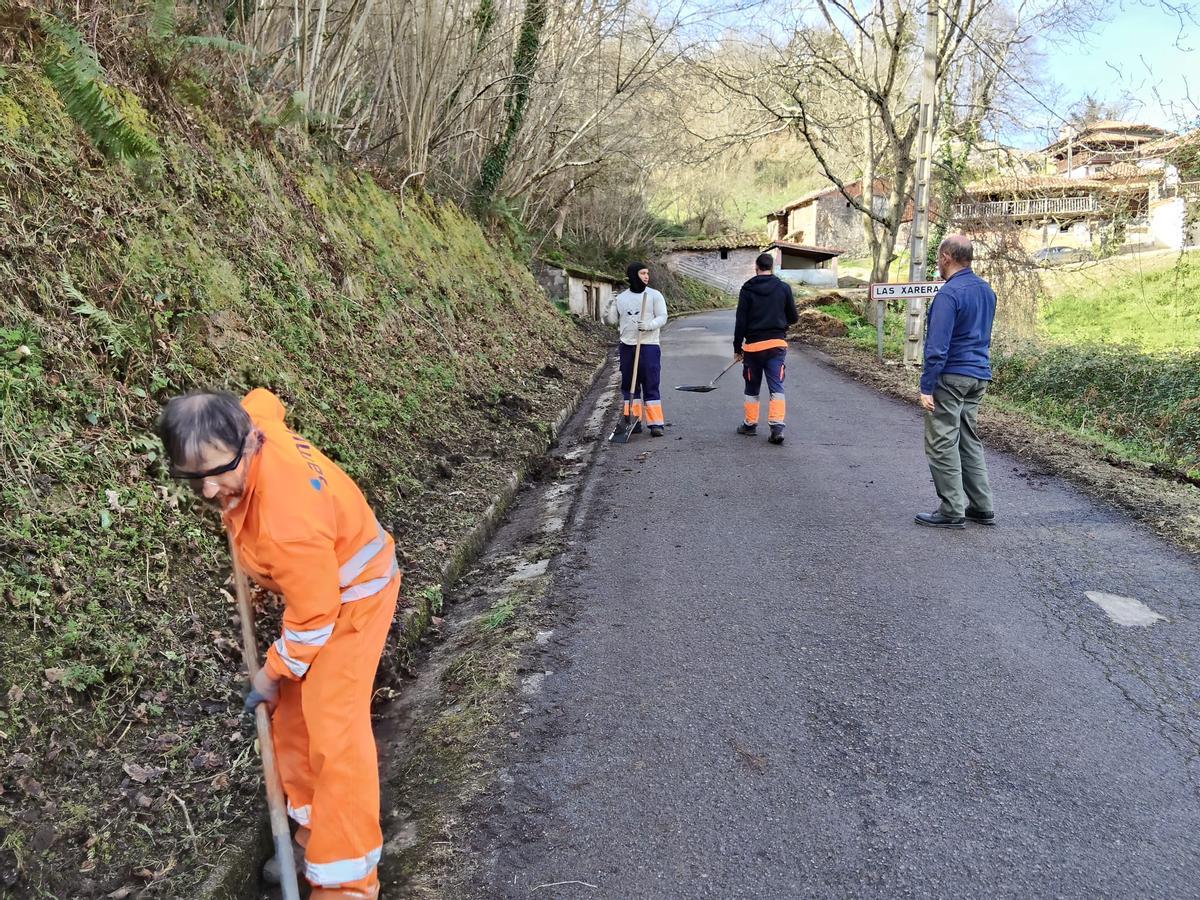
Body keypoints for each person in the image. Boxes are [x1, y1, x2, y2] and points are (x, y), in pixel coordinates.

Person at [157, 389, 399, 900]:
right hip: (319, 592)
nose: (208, 490)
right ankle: (314, 831)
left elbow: (314, 619)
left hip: (356, 597)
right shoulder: (252, 423)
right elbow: (265, 399)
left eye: (218, 473)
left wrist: (271, 672)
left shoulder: (288, 521)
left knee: (334, 729)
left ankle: (347, 882)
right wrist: (282, 679)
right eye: (193, 478)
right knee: (291, 715)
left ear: (249, 443)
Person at [916, 234, 997, 529]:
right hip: (978, 375)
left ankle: (951, 510)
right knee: (968, 439)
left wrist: (927, 386)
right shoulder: (986, 291)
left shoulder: (949, 295)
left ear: (946, 257)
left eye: (939, 258)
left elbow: (937, 347)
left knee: (941, 442)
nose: (938, 263)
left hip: (951, 376)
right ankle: (982, 506)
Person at [734, 252, 799, 445]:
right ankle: (777, 427)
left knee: (752, 387)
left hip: (753, 347)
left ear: (756, 267)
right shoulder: (784, 288)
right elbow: (793, 317)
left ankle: (750, 424)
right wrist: (780, 322)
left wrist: (737, 347)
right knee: (776, 386)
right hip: (776, 345)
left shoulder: (747, 288)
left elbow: (741, 321)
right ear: (772, 267)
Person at [608, 261, 669, 436]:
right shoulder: (621, 298)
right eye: (642, 273)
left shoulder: (654, 295)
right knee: (629, 385)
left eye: (647, 273)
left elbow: (663, 316)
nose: (646, 276)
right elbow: (611, 321)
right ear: (633, 275)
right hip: (627, 345)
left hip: (649, 345)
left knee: (651, 382)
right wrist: (610, 304)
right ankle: (633, 421)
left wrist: (649, 325)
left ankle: (656, 424)